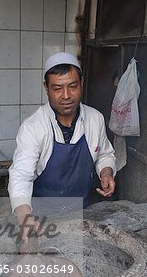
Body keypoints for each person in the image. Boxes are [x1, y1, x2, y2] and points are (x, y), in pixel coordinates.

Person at [8, 52, 116, 242]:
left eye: (72, 86)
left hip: (81, 213)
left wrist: (106, 173)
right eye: (57, 88)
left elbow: (105, 153)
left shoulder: (95, 119)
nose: (66, 96)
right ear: (46, 88)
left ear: (81, 83)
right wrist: (24, 216)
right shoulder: (33, 127)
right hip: (40, 219)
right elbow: (20, 175)